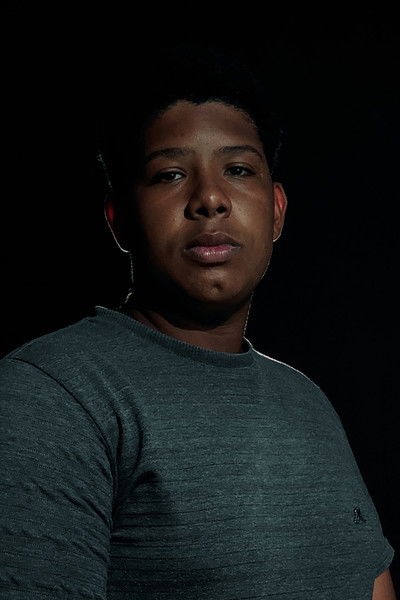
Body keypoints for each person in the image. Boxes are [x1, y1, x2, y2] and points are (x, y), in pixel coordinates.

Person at [0, 42, 396, 599]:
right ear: (118, 219)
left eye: (237, 169)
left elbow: (372, 586)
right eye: (169, 175)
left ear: (276, 210)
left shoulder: (306, 401)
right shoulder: (53, 395)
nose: (209, 197)